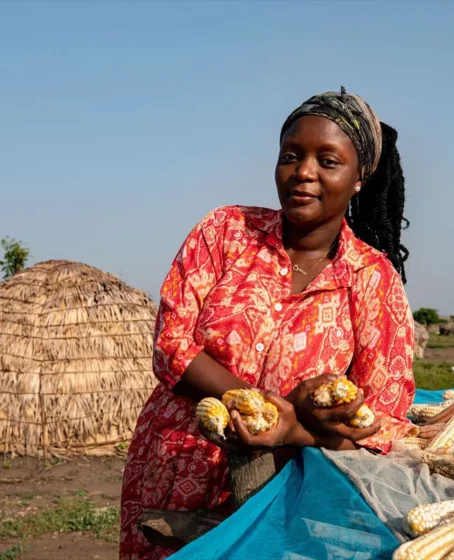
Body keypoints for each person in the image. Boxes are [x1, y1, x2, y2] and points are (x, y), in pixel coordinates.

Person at [120, 88, 416, 559]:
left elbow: (384, 420)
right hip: (179, 465)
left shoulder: (372, 279)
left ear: (359, 178)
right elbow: (171, 344)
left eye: (328, 161)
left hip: (283, 494)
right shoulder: (225, 231)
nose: (303, 172)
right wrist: (262, 407)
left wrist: (293, 430)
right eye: (291, 156)